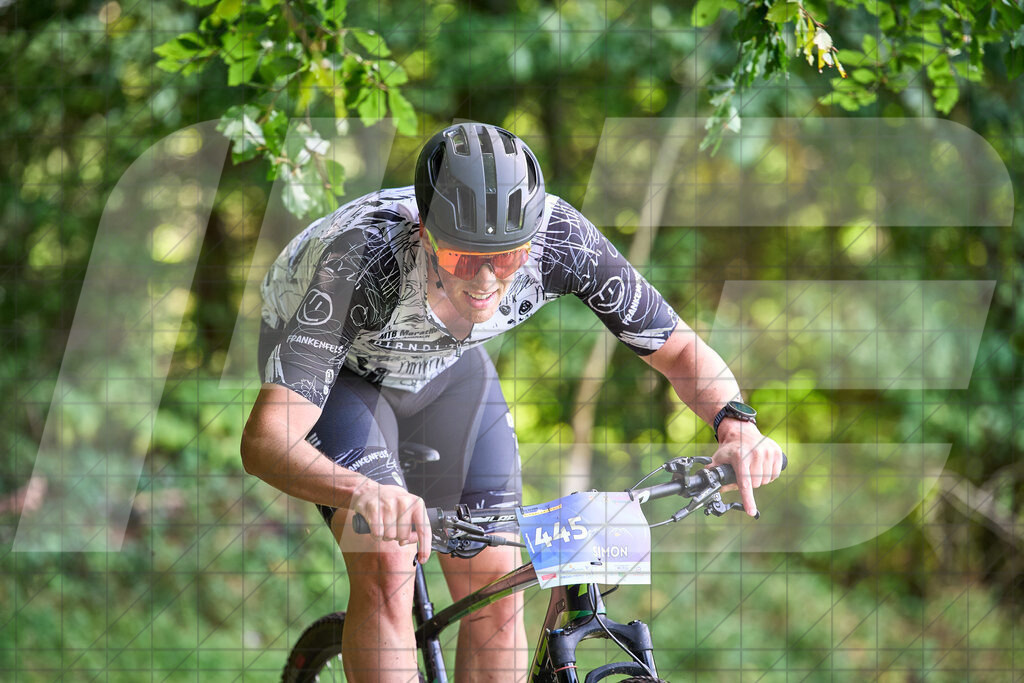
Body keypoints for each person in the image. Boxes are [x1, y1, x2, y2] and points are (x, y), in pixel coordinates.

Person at [241, 122, 785, 681]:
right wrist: (361, 492)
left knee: (498, 584)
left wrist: (736, 424)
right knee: (385, 556)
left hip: (444, 368)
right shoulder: (358, 260)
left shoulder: (563, 241)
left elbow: (679, 351)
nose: (483, 281)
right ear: (424, 233)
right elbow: (265, 442)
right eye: (461, 257)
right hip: (340, 376)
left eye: (505, 260)